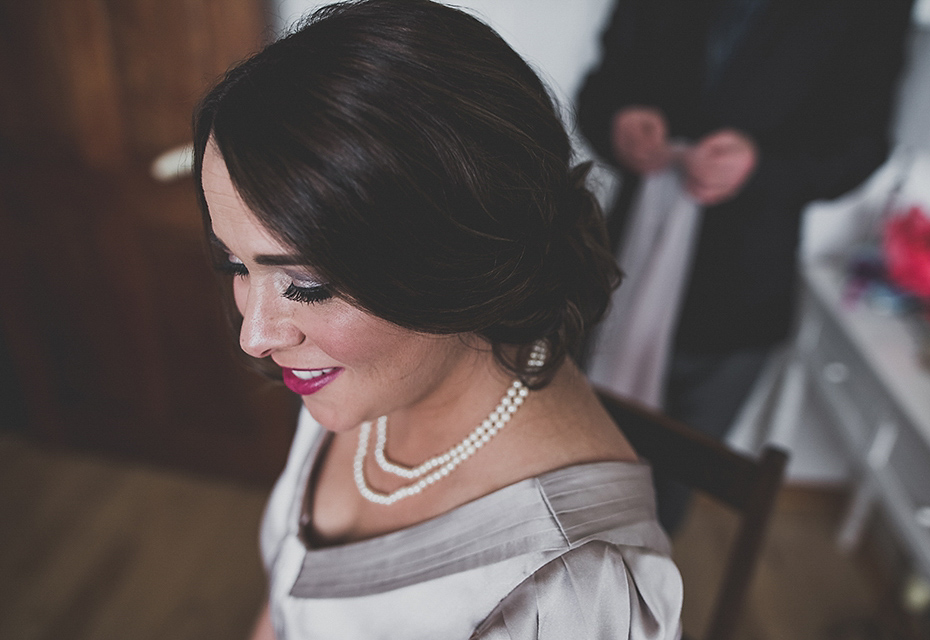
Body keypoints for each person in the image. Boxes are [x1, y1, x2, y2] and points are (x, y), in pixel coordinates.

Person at [193, 1, 683, 638]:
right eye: (236, 265)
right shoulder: (352, 381)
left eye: (306, 284)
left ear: (453, 261)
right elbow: (287, 602)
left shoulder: (571, 588)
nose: (256, 335)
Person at [577, 0, 913, 531]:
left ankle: (636, 603)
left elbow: (862, 145)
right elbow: (599, 88)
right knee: (575, 446)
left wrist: (760, 169)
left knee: (670, 490)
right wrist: (616, 123)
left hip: (739, 290)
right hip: (618, 268)